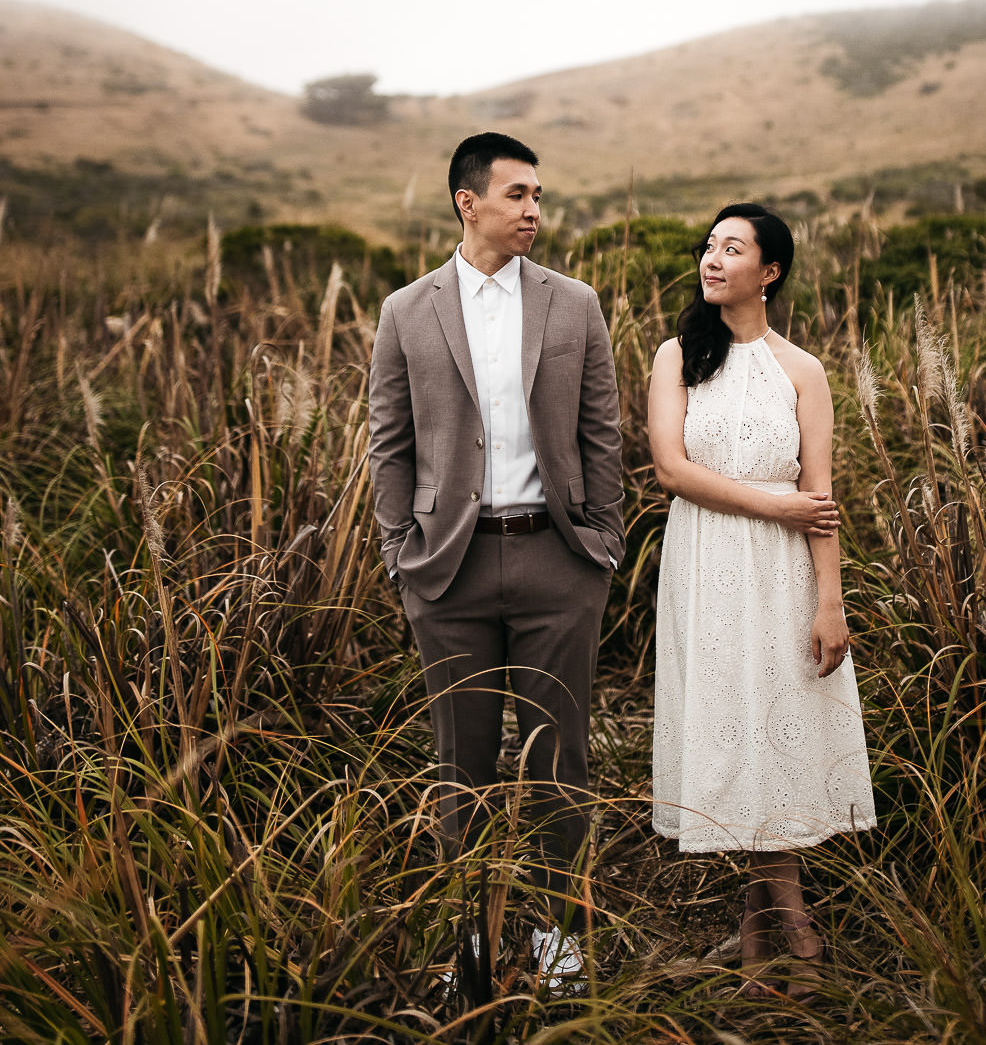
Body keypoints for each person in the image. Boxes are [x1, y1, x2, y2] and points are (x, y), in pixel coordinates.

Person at [367, 133, 625, 991]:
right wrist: (401, 554)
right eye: (518, 194)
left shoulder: (574, 303)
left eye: (539, 195)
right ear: (467, 202)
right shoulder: (406, 310)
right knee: (462, 767)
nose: (534, 210)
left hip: (559, 564)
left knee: (560, 764)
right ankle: (469, 950)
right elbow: (389, 443)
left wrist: (603, 545)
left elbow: (601, 431)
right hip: (448, 572)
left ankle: (559, 947)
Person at [648, 203, 875, 995]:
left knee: (773, 736)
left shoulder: (803, 370)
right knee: (734, 731)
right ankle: (798, 931)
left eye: (732, 248)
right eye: (709, 245)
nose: (712, 259)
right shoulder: (678, 355)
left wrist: (830, 602)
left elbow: (821, 497)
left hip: (782, 575)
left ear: (769, 271)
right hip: (705, 563)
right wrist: (776, 505)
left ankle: (756, 935)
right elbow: (671, 470)